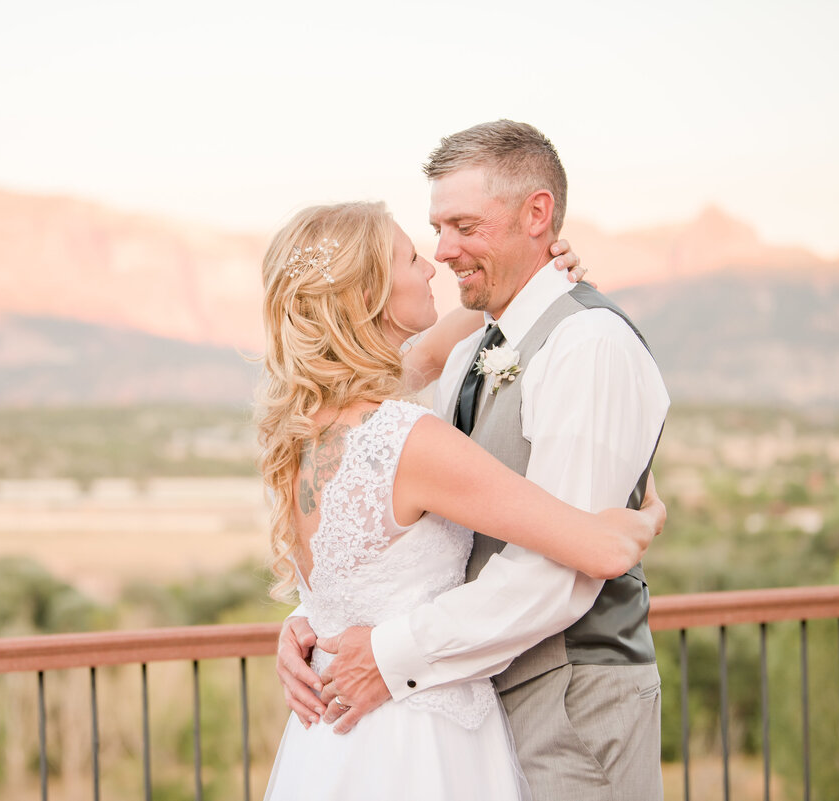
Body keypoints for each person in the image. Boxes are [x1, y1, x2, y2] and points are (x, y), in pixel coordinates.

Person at [279, 121, 670, 800]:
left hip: (569, 707)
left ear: (536, 213)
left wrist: (377, 648)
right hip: (439, 710)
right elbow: (585, 542)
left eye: (462, 225)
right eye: (429, 236)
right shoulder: (461, 360)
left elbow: (556, 573)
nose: (440, 253)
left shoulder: (588, 346)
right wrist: (318, 622)